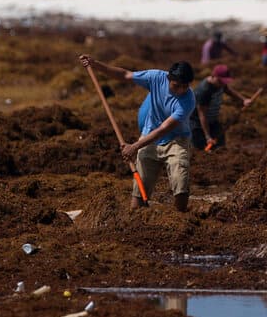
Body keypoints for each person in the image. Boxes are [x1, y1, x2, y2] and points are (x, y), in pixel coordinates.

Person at [77, 54, 196, 212]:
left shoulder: (188, 100)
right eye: (176, 85)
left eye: (185, 86)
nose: (181, 90)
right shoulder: (156, 77)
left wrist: (135, 146)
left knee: (180, 183)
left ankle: (181, 216)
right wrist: (97, 65)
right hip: (149, 138)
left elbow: (164, 129)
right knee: (137, 202)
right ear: (168, 79)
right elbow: (125, 75)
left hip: (176, 140)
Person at [190, 64, 257, 151]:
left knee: (220, 148)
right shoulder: (204, 91)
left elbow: (228, 90)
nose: (222, 84)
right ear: (213, 76)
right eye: (221, 82)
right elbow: (202, 115)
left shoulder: (220, 84)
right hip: (198, 125)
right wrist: (208, 136)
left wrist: (243, 100)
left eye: (224, 82)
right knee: (201, 151)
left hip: (212, 120)